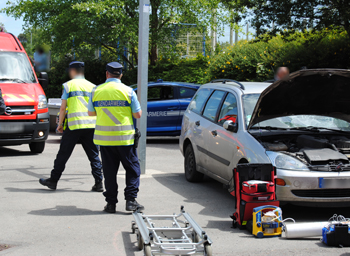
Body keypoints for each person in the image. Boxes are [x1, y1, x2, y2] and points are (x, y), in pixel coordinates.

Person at [87, 62, 144, 213]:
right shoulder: (128, 91)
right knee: (132, 169)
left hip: (104, 140)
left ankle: (111, 204)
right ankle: (130, 202)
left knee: (109, 172)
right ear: (121, 75)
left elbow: (91, 113)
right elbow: (138, 114)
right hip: (125, 139)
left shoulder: (96, 91)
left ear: (107, 74)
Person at [39, 61, 103, 191]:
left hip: (74, 126)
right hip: (90, 125)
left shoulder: (68, 85)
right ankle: (99, 183)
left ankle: (53, 181)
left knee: (63, 154)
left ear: (73, 71)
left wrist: (60, 125)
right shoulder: (93, 87)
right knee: (94, 155)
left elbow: (63, 108)